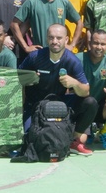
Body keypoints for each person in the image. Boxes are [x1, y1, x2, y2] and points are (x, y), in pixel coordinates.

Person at [19, 24, 95, 155]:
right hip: (35, 107)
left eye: (59, 38)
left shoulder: (73, 61)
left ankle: (74, 140)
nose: (55, 41)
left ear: (66, 40)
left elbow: (86, 91)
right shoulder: (34, 57)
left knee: (90, 102)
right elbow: (18, 79)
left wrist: (74, 83)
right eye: (51, 38)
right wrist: (29, 80)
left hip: (60, 106)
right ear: (47, 39)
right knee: (30, 140)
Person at [12, 0, 82, 54]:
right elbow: (14, 24)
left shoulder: (64, 2)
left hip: (60, 53)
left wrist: (72, 45)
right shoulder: (32, 2)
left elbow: (79, 22)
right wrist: (25, 47)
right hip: (40, 53)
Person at [77, 30, 106, 151]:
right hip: (82, 106)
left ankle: (104, 133)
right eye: (95, 43)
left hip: (101, 107)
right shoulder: (78, 59)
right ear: (89, 43)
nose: (99, 47)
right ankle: (86, 130)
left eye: (103, 44)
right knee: (81, 140)